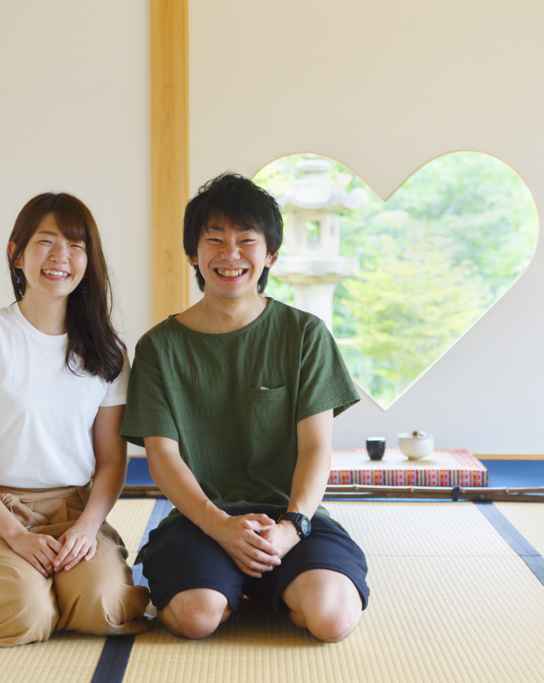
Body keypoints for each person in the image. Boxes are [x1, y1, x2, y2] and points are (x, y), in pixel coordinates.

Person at [121, 173, 370, 642]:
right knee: (195, 618)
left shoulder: (305, 335)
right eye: (214, 240)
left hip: (290, 517)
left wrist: (292, 527)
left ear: (270, 254)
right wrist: (221, 527)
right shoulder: (159, 347)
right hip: (201, 520)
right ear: (193, 254)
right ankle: (238, 589)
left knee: (332, 620)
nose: (230, 254)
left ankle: (262, 585)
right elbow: (163, 457)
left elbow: (317, 448)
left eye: (246, 241)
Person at [0, 193, 151, 647]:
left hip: (72, 511)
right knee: (24, 616)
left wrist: (88, 527)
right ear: (16, 254)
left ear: (89, 259)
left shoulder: (107, 351)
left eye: (75, 245)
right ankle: (12, 584)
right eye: (45, 242)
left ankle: (50, 586)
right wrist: (14, 534)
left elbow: (112, 461)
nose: (60, 258)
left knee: (103, 607)